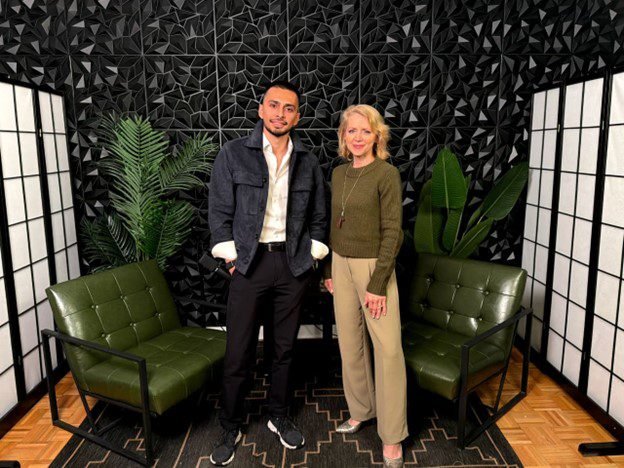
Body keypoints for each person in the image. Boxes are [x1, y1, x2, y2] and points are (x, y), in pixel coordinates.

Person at [208, 81, 329, 466]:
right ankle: (230, 424)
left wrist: (311, 257)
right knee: (238, 350)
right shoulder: (232, 154)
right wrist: (232, 260)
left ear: (298, 117)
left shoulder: (308, 161)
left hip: (291, 265)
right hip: (248, 264)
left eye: (289, 108)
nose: (280, 113)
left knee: (284, 349)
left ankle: (279, 415)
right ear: (261, 110)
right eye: (274, 105)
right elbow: (219, 213)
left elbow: (319, 217)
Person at [323, 104, 408, 467]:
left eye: (365, 131)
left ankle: (392, 436)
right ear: (343, 136)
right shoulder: (339, 173)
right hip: (340, 264)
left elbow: (393, 232)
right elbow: (334, 224)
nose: (358, 137)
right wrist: (329, 268)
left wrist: (377, 283)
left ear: (377, 136)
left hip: (374, 268)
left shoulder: (386, 174)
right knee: (350, 343)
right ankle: (361, 410)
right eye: (351, 131)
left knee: (388, 351)